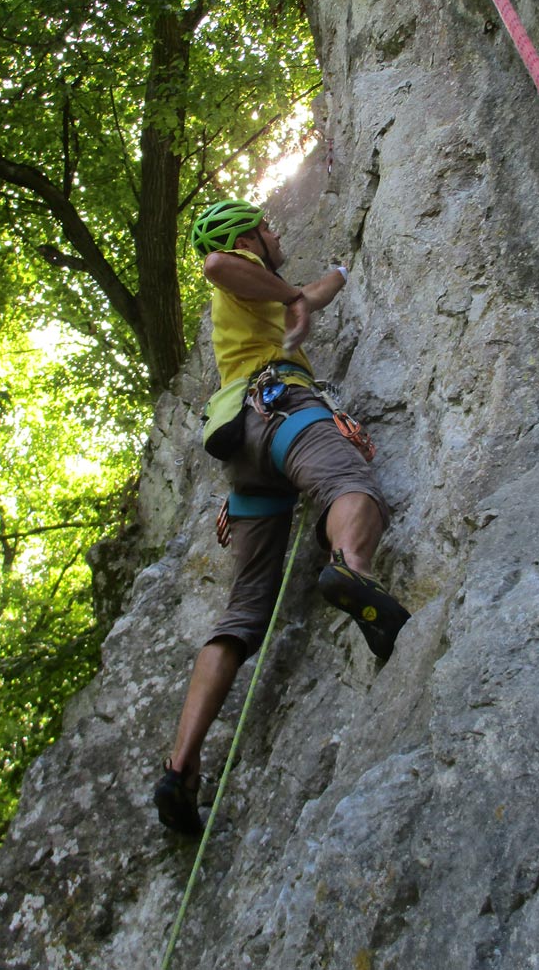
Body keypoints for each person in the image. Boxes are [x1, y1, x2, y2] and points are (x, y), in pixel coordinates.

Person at [153, 199, 410, 835]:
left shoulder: (265, 294)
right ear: (246, 237)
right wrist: (295, 294)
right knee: (349, 483)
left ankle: (180, 769)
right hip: (281, 404)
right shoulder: (235, 262)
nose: (276, 232)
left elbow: (309, 294)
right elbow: (217, 265)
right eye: (266, 227)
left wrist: (337, 275)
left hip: (241, 449)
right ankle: (352, 570)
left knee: (242, 613)